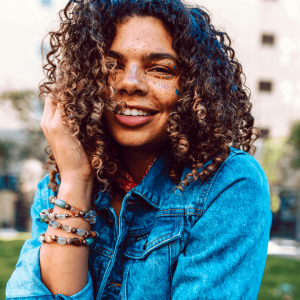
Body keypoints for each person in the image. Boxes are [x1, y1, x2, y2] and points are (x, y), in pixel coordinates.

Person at [6, 0, 272, 299]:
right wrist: (76, 181)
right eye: (110, 65)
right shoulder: (59, 185)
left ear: (196, 87)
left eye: (160, 69)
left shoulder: (229, 184)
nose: (130, 83)